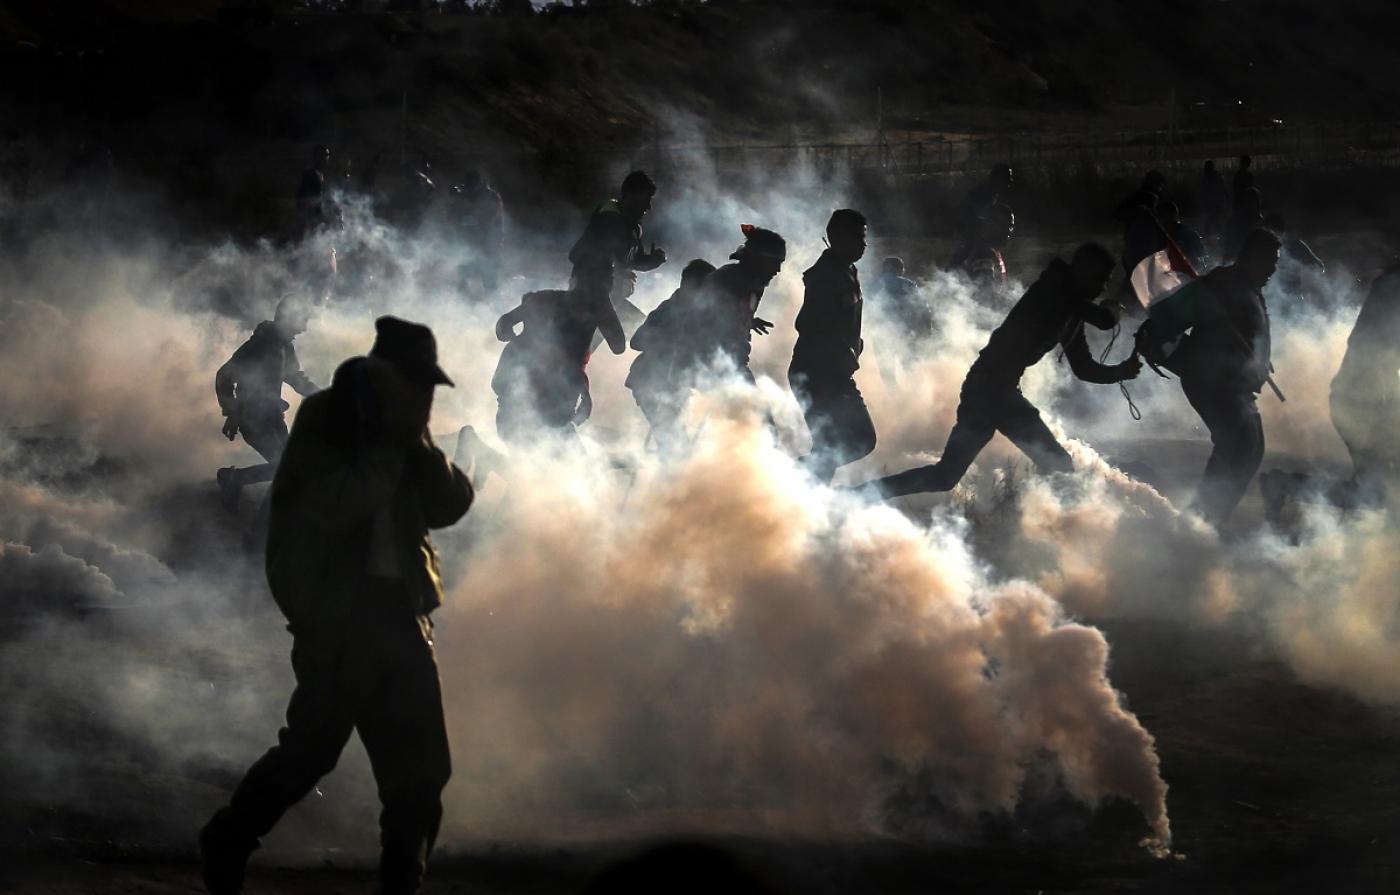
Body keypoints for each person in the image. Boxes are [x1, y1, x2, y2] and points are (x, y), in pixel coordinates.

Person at [200, 317, 473, 895]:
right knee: (311, 751)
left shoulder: (402, 430)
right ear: (384, 375)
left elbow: (450, 504)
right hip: (338, 618)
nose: (423, 394)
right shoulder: (327, 419)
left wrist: (417, 440)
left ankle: (402, 883)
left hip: (401, 616)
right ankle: (228, 838)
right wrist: (387, 451)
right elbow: (332, 507)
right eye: (416, 383)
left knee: (422, 772)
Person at [857, 244, 1140, 498]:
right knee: (1059, 466)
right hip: (992, 390)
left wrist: (1122, 371)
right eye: (1099, 279)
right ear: (1080, 269)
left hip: (993, 390)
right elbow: (1103, 319)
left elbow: (1084, 368)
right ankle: (1033, 523)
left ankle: (860, 494)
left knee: (945, 476)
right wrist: (1113, 311)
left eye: (1105, 282)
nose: (1101, 287)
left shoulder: (1071, 311)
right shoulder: (1054, 287)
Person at [1142, 228, 1282, 527]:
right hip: (1211, 379)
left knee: (1250, 447)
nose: (1273, 268)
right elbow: (1180, 312)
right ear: (1251, 256)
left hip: (1234, 383)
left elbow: (1249, 330)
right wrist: (1157, 340)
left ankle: (1205, 521)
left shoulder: (1248, 286)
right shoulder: (1224, 283)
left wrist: (1259, 360)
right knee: (1239, 444)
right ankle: (1200, 524)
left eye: (1275, 261)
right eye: (1269, 260)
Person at [1259, 264, 1400, 517]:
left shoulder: (1387, 295)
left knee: (1378, 488)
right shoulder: (1391, 298)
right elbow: (1376, 357)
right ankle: (1284, 486)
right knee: (1376, 492)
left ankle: (1285, 486)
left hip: (1364, 402)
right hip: (1363, 406)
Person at [491, 264, 627, 445]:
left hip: (536, 407)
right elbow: (505, 326)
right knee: (564, 465)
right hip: (526, 407)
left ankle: (475, 444)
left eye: (605, 283)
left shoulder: (550, 301)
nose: (597, 289)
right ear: (575, 282)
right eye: (597, 283)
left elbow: (504, 325)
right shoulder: (549, 302)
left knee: (551, 462)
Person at [789, 209, 877, 483]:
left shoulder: (848, 270)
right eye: (857, 239)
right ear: (836, 237)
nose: (863, 245)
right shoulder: (824, 275)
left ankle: (798, 489)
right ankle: (793, 483)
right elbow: (805, 323)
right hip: (815, 374)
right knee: (849, 442)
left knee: (852, 441)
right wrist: (841, 348)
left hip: (835, 375)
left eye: (864, 239)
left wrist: (854, 344)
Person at [215, 297, 320, 511]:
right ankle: (232, 479)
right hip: (252, 418)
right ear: (289, 319)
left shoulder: (285, 347)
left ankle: (236, 482)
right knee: (284, 468)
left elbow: (296, 378)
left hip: (271, 418)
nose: (304, 329)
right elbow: (223, 377)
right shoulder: (258, 345)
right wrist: (232, 412)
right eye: (302, 321)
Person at [625, 258, 716, 453]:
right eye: (704, 287)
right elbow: (636, 341)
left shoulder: (698, 314)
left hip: (674, 386)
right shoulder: (668, 310)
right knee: (674, 444)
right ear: (689, 284)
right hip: (649, 383)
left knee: (677, 442)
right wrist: (668, 341)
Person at [679, 224, 787, 383]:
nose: (777, 270)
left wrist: (748, 321)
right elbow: (700, 324)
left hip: (731, 365)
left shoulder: (754, 285)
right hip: (711, 368)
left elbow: (729, 317)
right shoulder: (726, 280)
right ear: (757, 258)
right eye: (773, 262)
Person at [569, 170, 668, 333]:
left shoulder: (633, 228)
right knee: (645, 335)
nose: (648, 207)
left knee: (642, 332)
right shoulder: (609, 219)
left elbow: (632, 260)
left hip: (613, 299)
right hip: (593, 298)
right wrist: (621, 275)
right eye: (646, 199)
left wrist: (652, 260)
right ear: (630, 195)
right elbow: (583, 257)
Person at [451, 170, 506, 294]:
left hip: (489, 244)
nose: (469, 189)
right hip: (470, 243)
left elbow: (489, 218)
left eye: (471, 185)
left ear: (479, 184)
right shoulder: (469, 195)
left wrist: (472, 217)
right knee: (462, 277)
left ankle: (495, 308)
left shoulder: (491, 196)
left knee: (490, 281)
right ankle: (461, 305)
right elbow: (454, 218)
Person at [949, 202, 1014, 297]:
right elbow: (986, 296)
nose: (1008, 231)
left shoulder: (980, 248)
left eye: (1010, 226)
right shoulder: (984, 252)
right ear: (989, 224)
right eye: (1003, 225)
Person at [958, 163, 1013, 243]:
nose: (1010, 180)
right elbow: (976, 215)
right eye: (1007, 177)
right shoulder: (984, 195)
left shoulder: (993, 194)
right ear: (998, 178)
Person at [295, 144, 334, 237]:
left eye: (327, 155)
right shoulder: (310, 174)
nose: (326, 158)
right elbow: (302, 197)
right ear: (316, 157)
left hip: (318, 217)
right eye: (323, 155)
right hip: (310, 218)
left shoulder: (320, 174)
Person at [1160, 200, 1208, 272]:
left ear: (1174, 216)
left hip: (1186, 272)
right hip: (1165, 271)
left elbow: (1202, 254)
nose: (1164, 219)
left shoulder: (1187, 233)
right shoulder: (1159, 232)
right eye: (1162, 216)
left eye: (1166, 215)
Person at [1199, 159, 1230, 239]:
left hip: (1215, 202)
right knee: (1213, 219)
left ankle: (1213, 234)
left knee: (1213, 218)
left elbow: (1223, 188)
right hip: (1214, 202)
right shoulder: (1212, 177)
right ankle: (1216, 234)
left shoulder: (1212, 177)